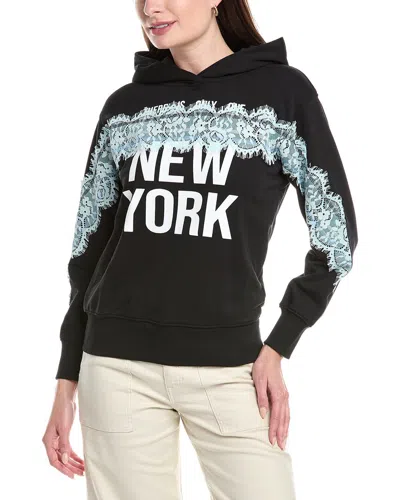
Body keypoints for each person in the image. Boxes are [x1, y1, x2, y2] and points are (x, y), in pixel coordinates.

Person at [42, 0, 358, 498]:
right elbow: (87, 252)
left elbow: (336, 235)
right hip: (116, 368)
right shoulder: (125, 107)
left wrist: (280, 343)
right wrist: (66, 381)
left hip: (232, 369)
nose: (151, 8)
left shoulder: (283, 95)